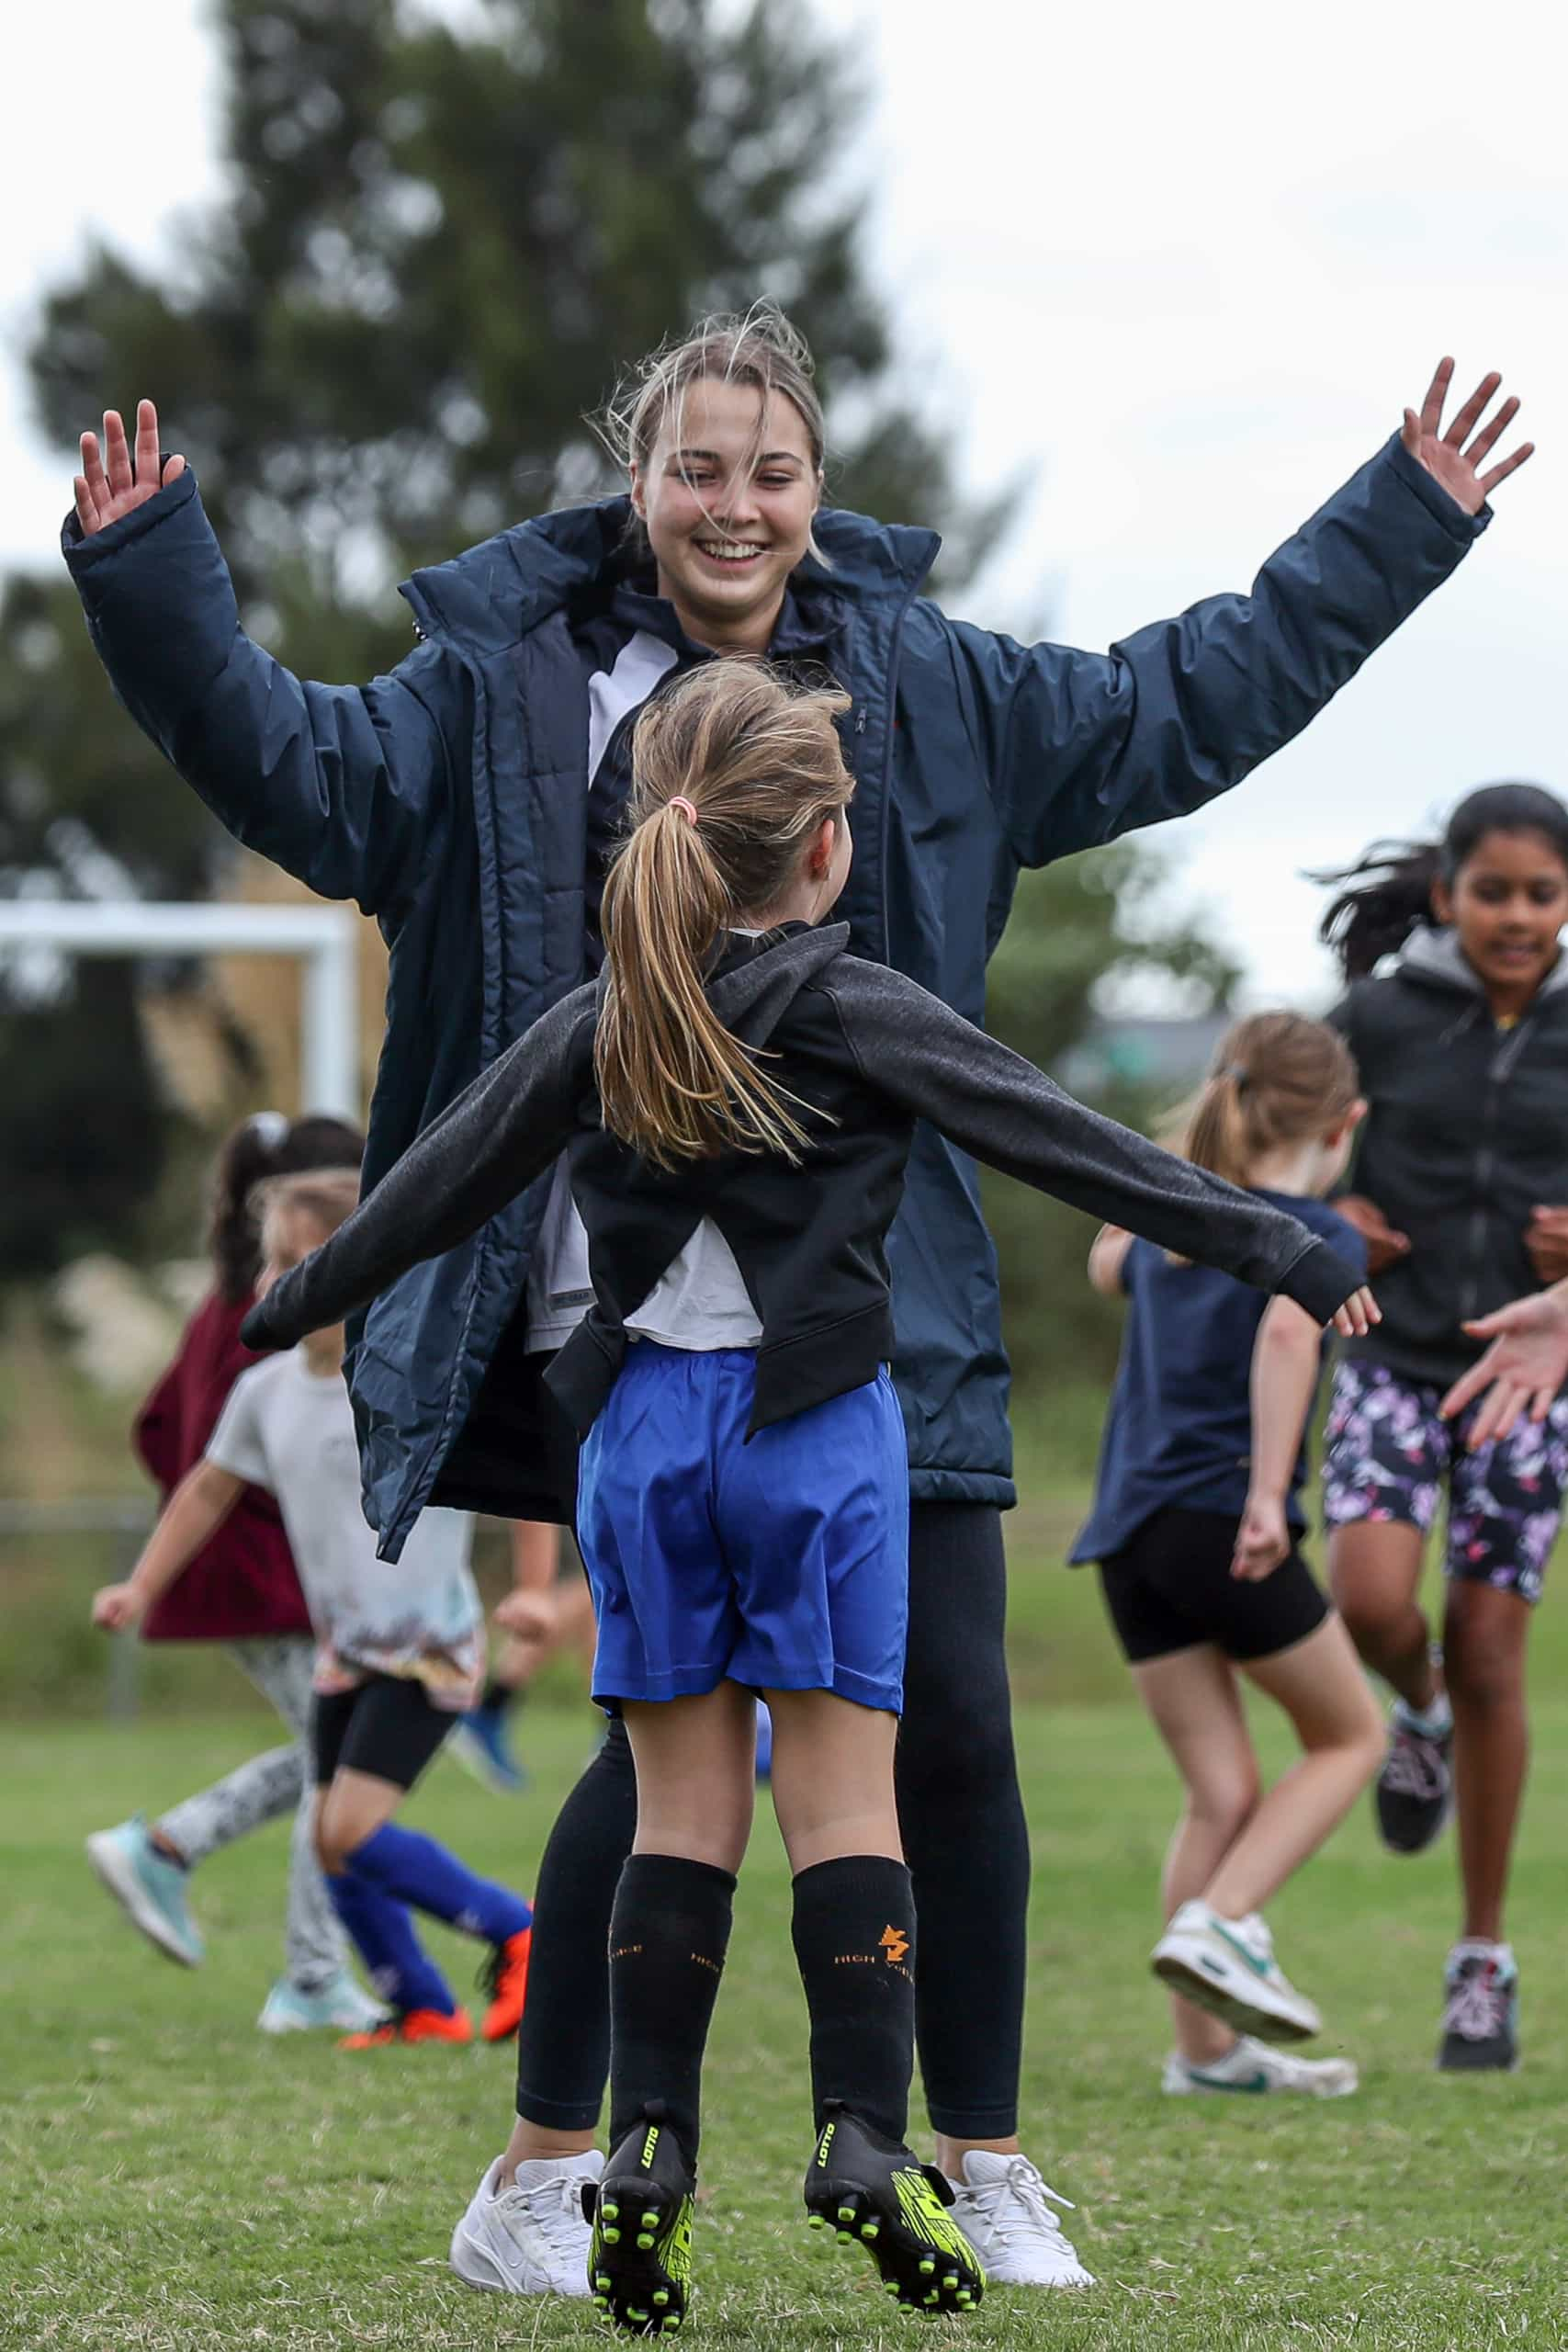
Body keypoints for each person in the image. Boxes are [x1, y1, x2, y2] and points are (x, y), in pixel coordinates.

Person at [62, 311, 1525, 2290]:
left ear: (814, 490)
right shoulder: (501, 689)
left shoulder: (925, 685)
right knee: (651, 1756)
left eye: (771, 469)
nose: (734, 503)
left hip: (875, 1306)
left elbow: (1184, 702)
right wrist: (152, 572)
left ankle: (982, 2151)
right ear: (638, 479)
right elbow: (286, 758)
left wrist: (1398, 520)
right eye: (698, 466)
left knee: (956, 1737)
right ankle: (539, 2169)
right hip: (621, 1318)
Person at [241, 662, 1372, 2326]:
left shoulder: (595, 1018)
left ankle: (643, 2152)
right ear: (826, 850)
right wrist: (1285, 1240)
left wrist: (276, 1307)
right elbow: (1060, 1140)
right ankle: (859, 2137)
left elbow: (430, 1186)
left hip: (635, 1441)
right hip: (815, 1436)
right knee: (844, 1810)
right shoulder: (860, 1003)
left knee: (678, 1813)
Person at [92, 1171, 535, 2052]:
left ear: (361, 1268)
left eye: (296, 1264)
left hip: (427, 1650)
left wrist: (530, 1584)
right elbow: (207, 1489)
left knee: (351, 1829)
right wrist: (141, 1584)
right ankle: (423, 2008)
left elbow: (523, 1480)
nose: (270, 1286)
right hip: (344, 1654)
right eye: (271, 1264)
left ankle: (520, 1930)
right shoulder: (264, 1392)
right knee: (331, 1846)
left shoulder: (415, 1378)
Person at [1071, 1015, 1384, 2098]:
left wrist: (1173, 1175)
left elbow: (1106, 1259)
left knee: (1221, 1791)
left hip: (1129, 1538)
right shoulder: (1314, 1234)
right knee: (1351, 1734)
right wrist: (1267, 1496)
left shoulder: (1169, 1230)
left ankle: (1203, 2057)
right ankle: (1227, 1924)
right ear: (1346, 1123)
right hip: (1221, 1521)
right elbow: (1295, 1333)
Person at [1316, 784, 1568, 2072]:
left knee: (1489, 1653)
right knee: (1368, 1601)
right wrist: (1334, 1212)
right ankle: (1408, 1718)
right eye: (1493, 892)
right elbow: (1286, 1148)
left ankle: (1479, 1958)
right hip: (1387, 1357)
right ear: (1445, 895)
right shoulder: (1373, 1019)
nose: (1515, 916)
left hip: (1528, 1378)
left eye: (1539, 893)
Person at [85, 1110, 386, 2036]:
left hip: (266, 1573)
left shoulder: (226, 1306)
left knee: (332, 1756)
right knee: (338, 1763)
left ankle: (178, 1850)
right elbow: (218, 1459)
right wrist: (233, 1523)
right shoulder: (280, 1321)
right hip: (269, 1576)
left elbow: (153, 1428)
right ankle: (298, 1965)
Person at [450, 1521, 595, 1794]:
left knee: (589, 1602)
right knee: (582, 1594)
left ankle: (615, 1729)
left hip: (586, 1494)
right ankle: (489, 1709)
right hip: (576, 1494)